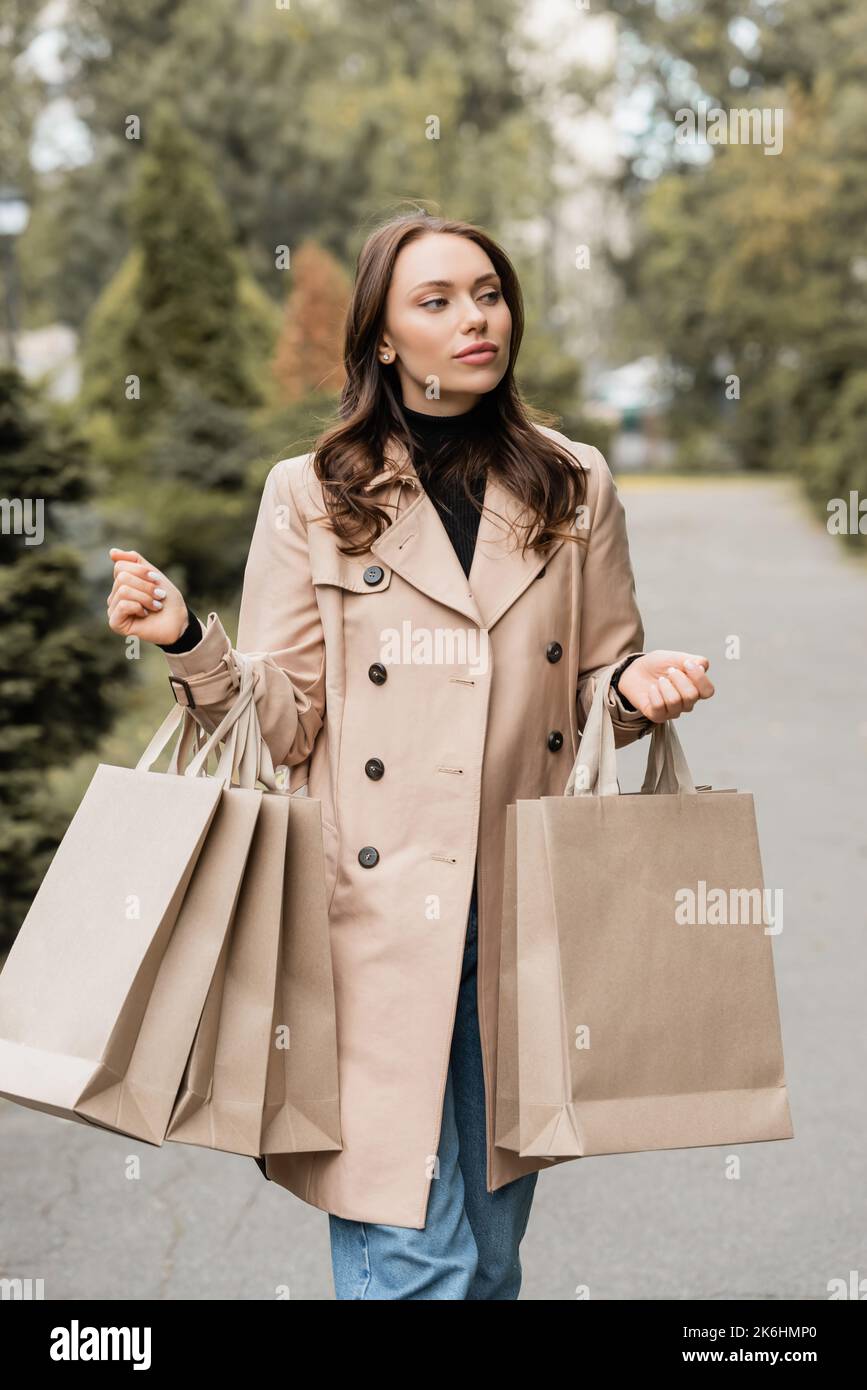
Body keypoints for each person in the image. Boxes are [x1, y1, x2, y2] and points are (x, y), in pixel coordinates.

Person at [106, 211, 715, 1300]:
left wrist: (635, 687)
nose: (475, 317)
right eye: (435, 301)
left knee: (485, 1257)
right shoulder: (313, 493)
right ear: (384, 338)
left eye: (487, 291)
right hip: (369, 925)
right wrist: (188, 643)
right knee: (415, 1258)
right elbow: (284, 718)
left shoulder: (574, 485)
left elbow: (591, 691)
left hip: (525, 908)